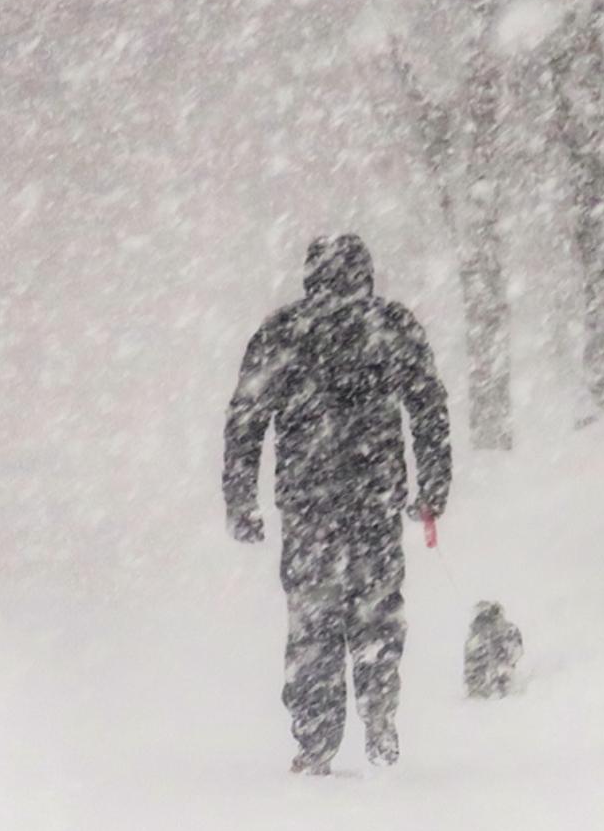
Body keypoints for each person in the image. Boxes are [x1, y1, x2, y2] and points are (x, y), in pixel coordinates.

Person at [223, 234, 452, 775]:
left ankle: (316, 741)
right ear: (366, 275)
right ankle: (378, 717)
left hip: (309, 505)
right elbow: (428, 408)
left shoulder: (283, 332)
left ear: (310, 277)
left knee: (314, 623)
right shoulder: (392, 327)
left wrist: (241, 501)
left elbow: (245, 421)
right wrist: (433, 486)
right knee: (375, 612)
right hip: (374, 498)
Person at [463, 601, 523, 699]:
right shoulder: (475, 641)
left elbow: (516, 652)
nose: (487, 626)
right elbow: (470, 669)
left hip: (502, 686)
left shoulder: (508, 631)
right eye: (482, 620)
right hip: (484, 691)